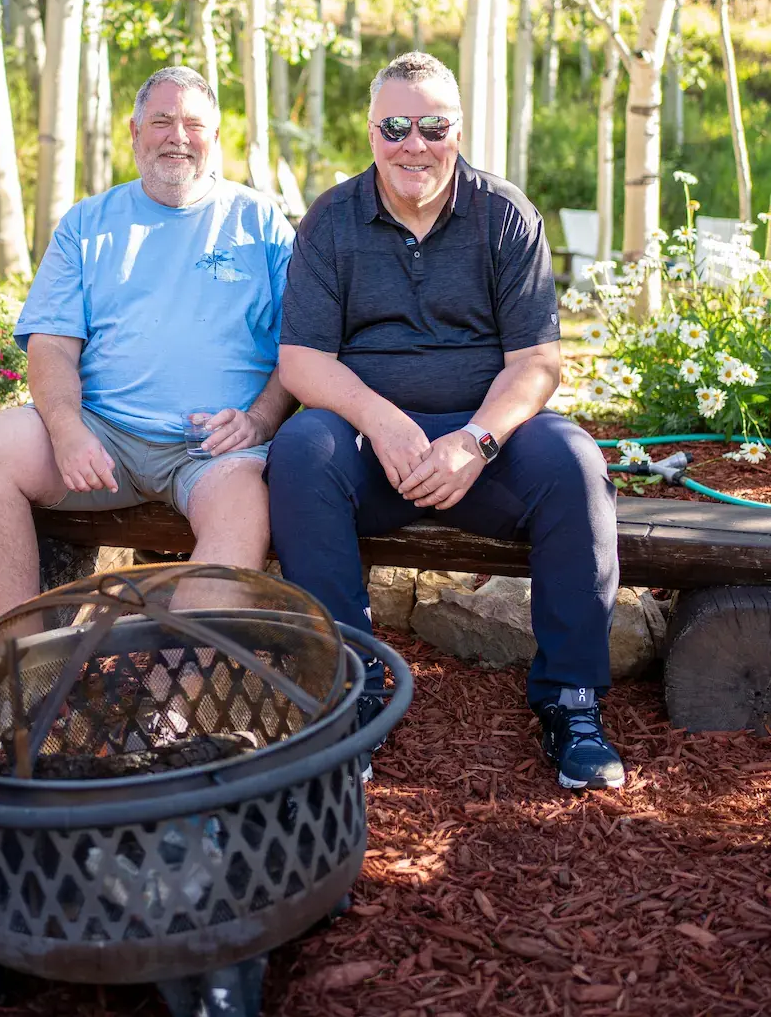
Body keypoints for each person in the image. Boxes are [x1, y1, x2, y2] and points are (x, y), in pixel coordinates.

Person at [265, 52, 623, 791]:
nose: (413, 144)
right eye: (395, 125)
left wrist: (475, 440)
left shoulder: (506, 216)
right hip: (371, 449)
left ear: (457, 130)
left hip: (486, 445)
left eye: (432, 125)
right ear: (371, 132)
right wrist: (383, 421)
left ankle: (572, 703)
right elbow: (302, 363)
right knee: (301, 448)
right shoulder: (330, 221)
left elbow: (537, 363)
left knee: (576, 463)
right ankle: (351, 693)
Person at [0, 66, 295, 623]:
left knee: (244, 514)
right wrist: (67, 432)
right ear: (134, 133)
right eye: (161, 121)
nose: (177, 136)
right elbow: (52, 346)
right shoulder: (88, 224)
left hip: (218, 450)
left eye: (193, 124)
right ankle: (21, 663)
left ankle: (172, 701)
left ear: (215, 136)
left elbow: (300, 350)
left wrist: (259, 420)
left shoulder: (263, 224)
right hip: (102, 436)